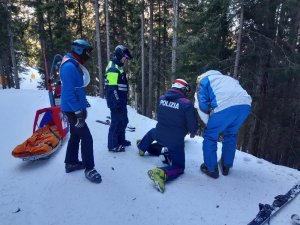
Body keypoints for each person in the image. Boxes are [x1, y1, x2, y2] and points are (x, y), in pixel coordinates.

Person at [137, 79, 198, 193]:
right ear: (183, 89)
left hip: (159, 133)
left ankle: (141, 147)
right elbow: (192, 124)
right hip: (175, 141)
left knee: (151, 133)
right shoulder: (186, 103)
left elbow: (161, 115)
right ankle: (161, 173)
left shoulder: (161, 98)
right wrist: (193, 132)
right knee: (179, 167)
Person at [195, 70, 251, 179]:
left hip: (224, 106)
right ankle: (226, 166)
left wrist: (209, 123)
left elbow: (202, 105)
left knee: (210, 136)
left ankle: (211, 168)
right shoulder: (229, 79)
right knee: (231, 134)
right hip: (245, 106)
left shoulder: (204, 81)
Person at [60, 39, 102, 184]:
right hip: (72, 110)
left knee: (76, 136)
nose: (88, 55)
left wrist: (82, 106)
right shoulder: (69, 67)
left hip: (74, 108)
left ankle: (70, 162)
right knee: (86, 137)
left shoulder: (73, 64)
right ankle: (89, 169)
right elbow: (69, 93)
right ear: (79, 50)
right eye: (87, 52)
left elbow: (77, 89)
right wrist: (78, 112)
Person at [104, 45, 133, 152]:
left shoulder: (118, 66)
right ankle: (112, 145)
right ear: (120, 55)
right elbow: (112, 89)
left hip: (121, 100)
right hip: (115, 101)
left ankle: (121, 140)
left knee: (124, 121)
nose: (126, 61)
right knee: (116, 123)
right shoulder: (113, 68)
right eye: (126, 58)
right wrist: (117, 101)